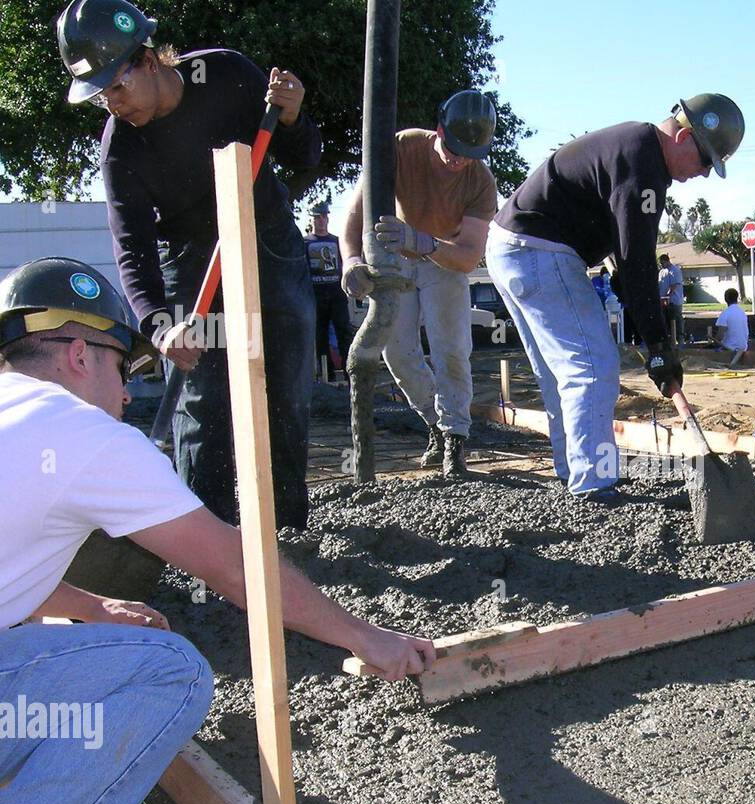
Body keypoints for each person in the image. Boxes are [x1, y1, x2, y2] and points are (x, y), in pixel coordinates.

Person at [0, 258, 435, 804]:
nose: (125, 396)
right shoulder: (83, 434)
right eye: (125, 371)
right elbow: (233, 567)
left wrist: (88, 608)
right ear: (81, 354)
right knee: (167, 673)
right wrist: (364, 635)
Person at [58, 0, 321, 529]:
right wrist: (159, 325)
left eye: (117, 86)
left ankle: (286, 527)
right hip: (190, 258)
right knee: (203, 404)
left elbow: (306, 156)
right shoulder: (120, 150)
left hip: (268, 240)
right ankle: (209, 534)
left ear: (149, 61)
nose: (112, 103)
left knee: (286, 386)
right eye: (101, 94)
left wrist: (291, 117)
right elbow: (131, 247)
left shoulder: (227, 74)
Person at [486, 93, 744, 503]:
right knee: (592, 365)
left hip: (509, 246)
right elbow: (639, 262)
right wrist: (658, 345)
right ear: (683, 135)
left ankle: (575, 471)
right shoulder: (644, 167)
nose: (704, 173)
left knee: (560, 374)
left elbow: (623, 255)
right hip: (538, 249)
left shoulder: (634, 148)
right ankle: (594, 483)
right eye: (705, 160)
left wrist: (638, 308)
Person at [341, 90, 499, 479]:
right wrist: (352, 261)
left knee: (451, 351)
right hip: (394, 259)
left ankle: (455, 439)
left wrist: (423, 242)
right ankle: (434, 425)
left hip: (442, 260)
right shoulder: (403, 146)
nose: (458, 159)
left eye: (468, 153)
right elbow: (355, 212)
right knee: (398, 355)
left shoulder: (481, 182)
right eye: (452, 147)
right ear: (439, 128)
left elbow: (466, 256)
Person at [305, 202, 354, 382]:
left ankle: (351, 374)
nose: (321, 220)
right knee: (320, 336)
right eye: (317, 217)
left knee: (344, 333)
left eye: (324, 216)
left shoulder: (337, 241)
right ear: (311, 219)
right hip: (316, 297)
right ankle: (328, 377)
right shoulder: (305, 243)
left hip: (337, 295)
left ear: (328, 218)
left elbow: (346, 265)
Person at [714, 287, 749, 367]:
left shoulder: (726, 313)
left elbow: (720, 335)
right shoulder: (742, 312)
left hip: (730, 348)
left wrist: (714, 342)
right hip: (744, 347)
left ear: (726, 299)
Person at [658, 252, 686, 342]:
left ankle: (680, 340)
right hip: (664, 302)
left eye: (662, 263)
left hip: (674, 301)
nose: (662, 265)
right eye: (660, 263)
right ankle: (669, 341)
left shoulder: (675, 270)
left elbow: (674, 286)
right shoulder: (661, 272)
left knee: (677, 321)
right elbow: (660, 285)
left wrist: (667, 296)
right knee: (666, 323)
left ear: (667, 261)